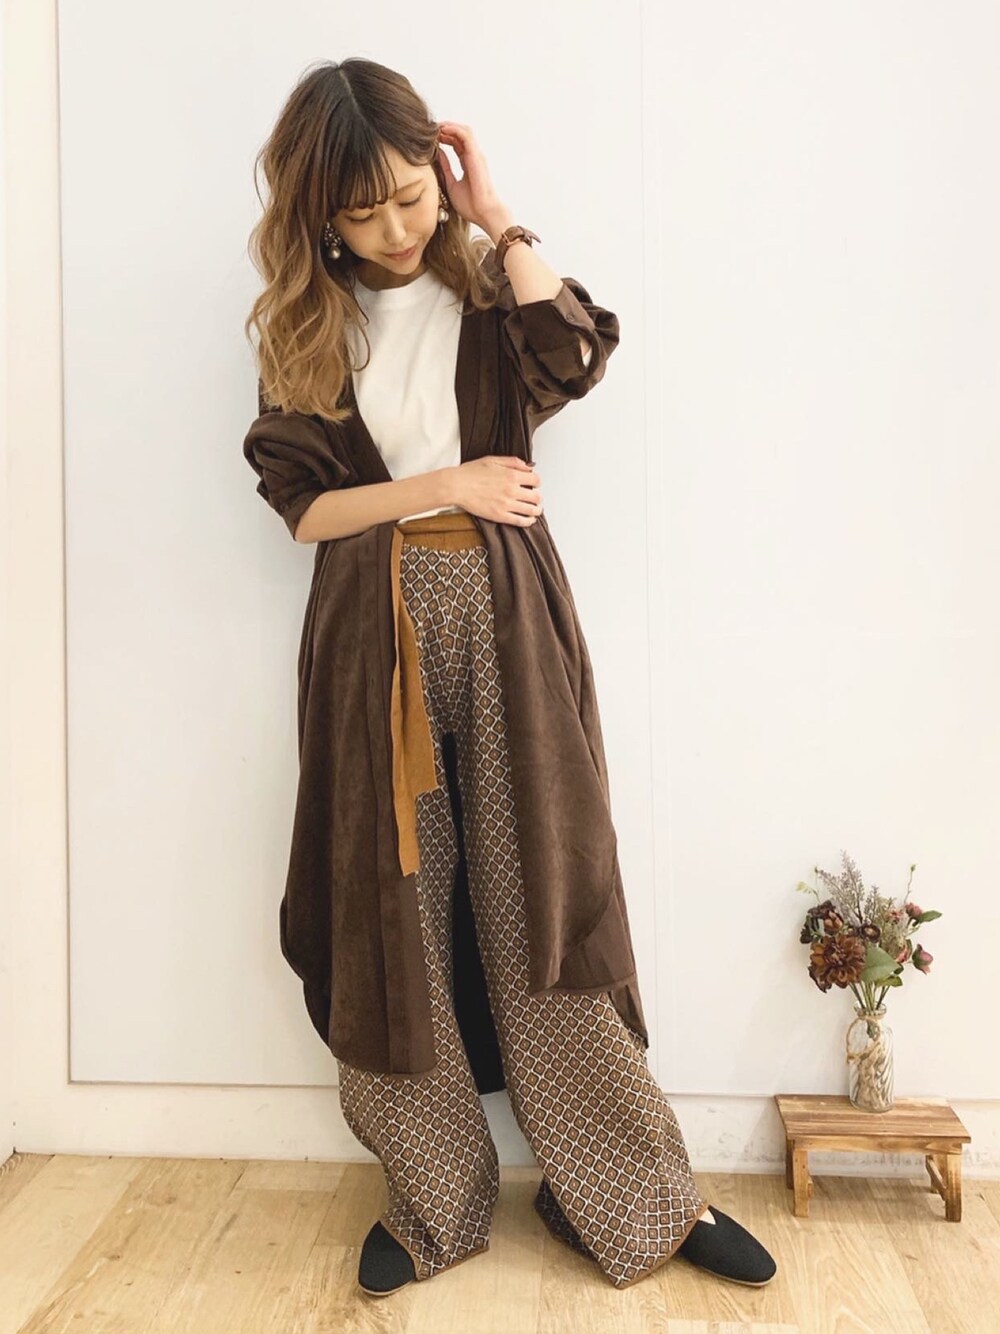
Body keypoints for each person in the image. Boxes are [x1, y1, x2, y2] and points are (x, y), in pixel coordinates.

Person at [242, 57, 776, 1297]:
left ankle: (638, 1195)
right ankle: (432, 1197)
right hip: (370, 635)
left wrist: (497, 217)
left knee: (545, 893)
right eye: (361, 212)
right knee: (392, 908)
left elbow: (575, 356)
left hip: (508, 622)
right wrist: (448, 483)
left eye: (409, 196)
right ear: (319, 216)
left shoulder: (485, 283)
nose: (392, 229)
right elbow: (305, 508)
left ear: (439, 175)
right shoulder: (304, 326)